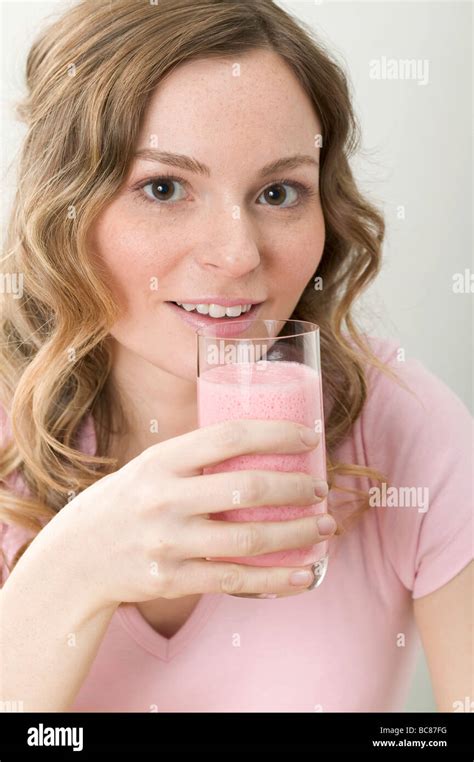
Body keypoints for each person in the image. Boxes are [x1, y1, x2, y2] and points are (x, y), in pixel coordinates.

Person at [0, 0, 471, 713]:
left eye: (278, 192)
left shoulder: (404, 424)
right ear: (62, 206)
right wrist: (73, 570)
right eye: (163, 188)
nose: (239, 255)